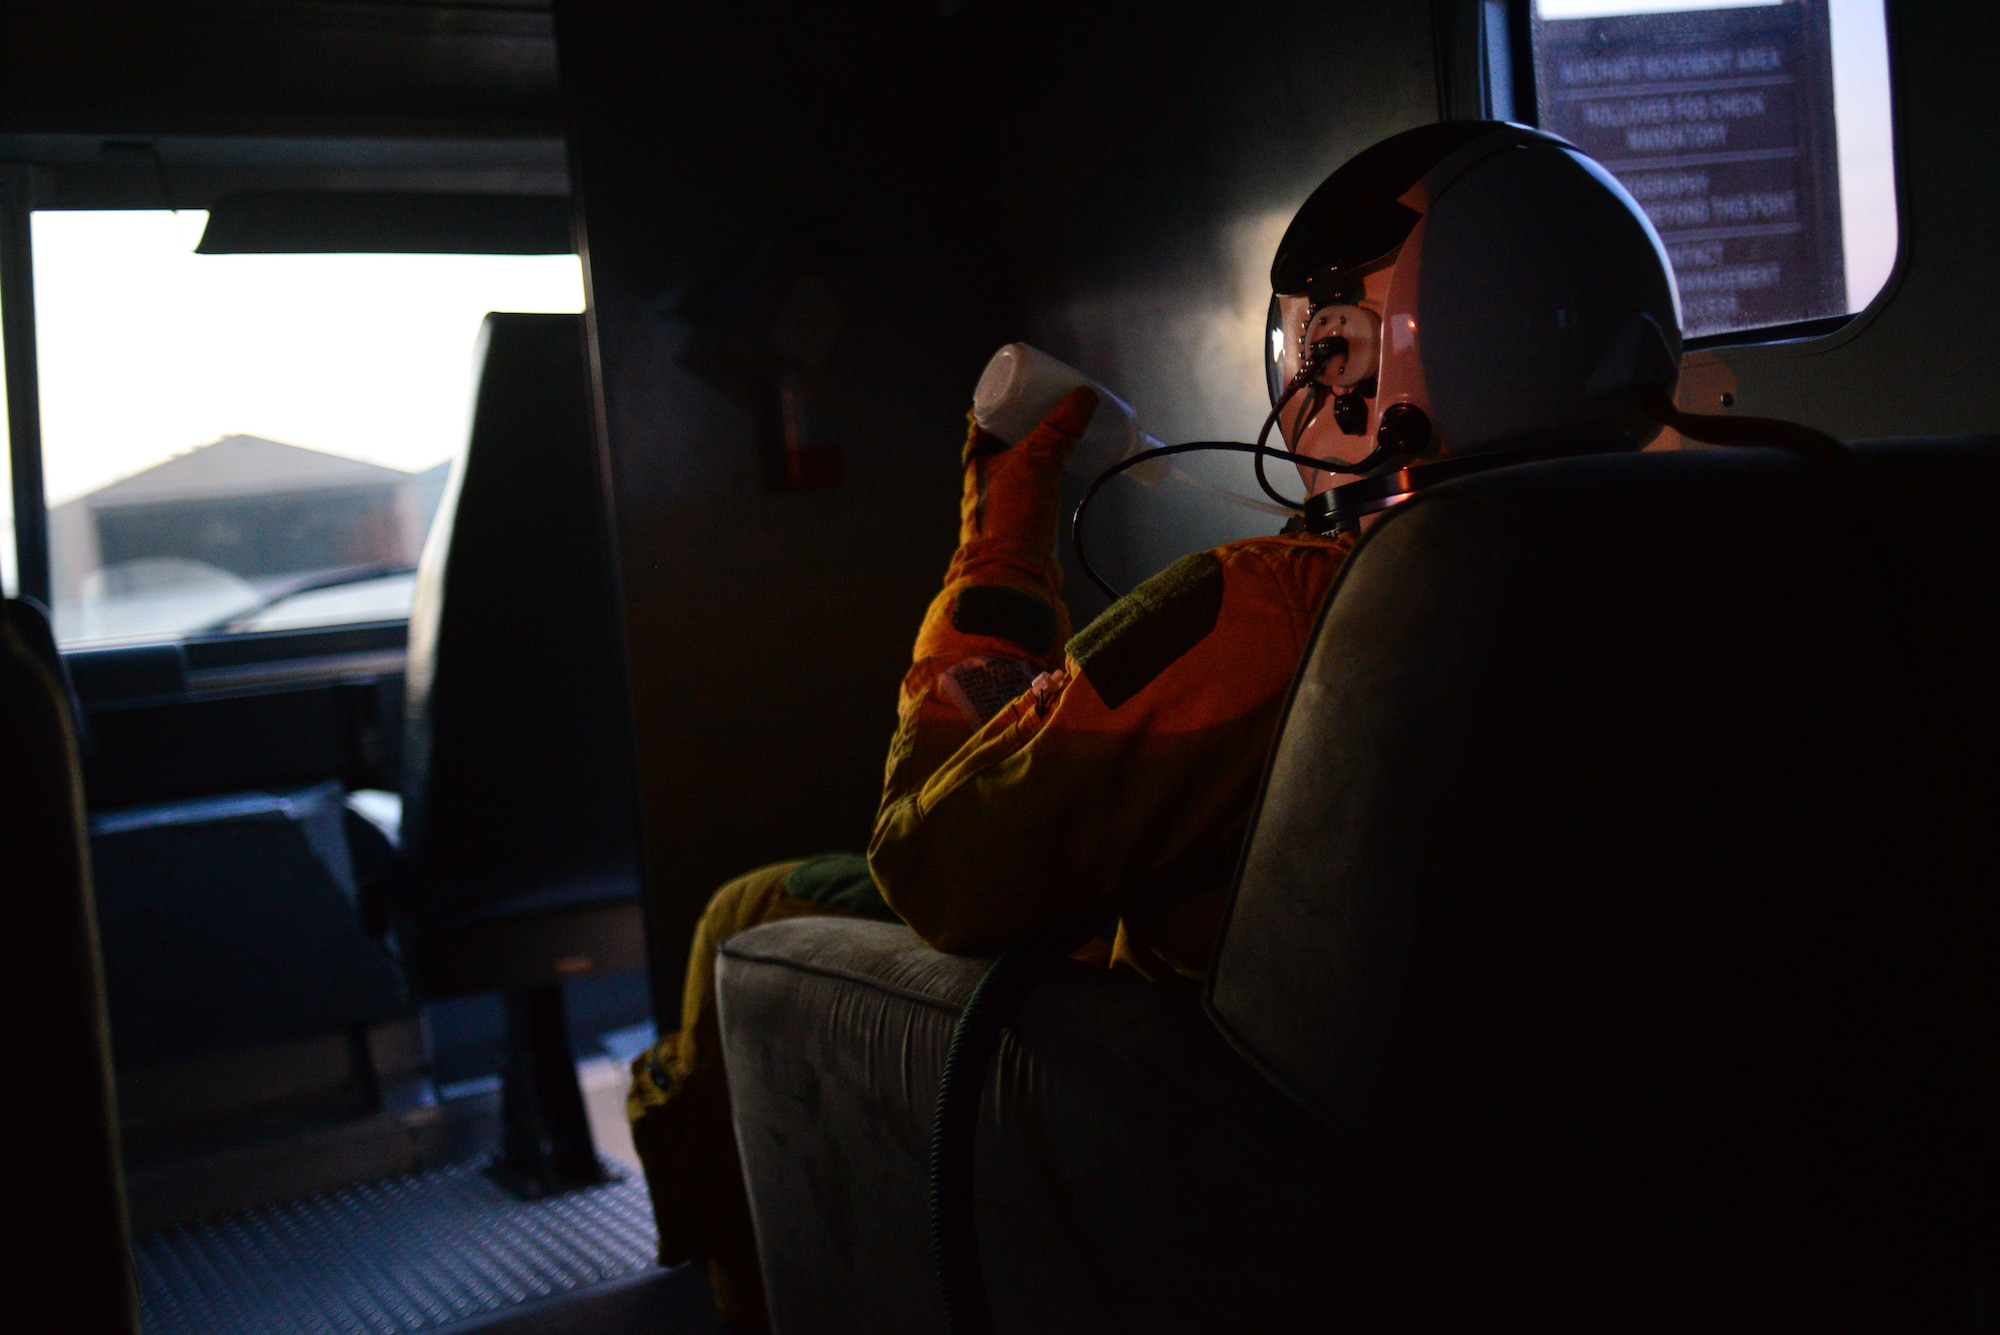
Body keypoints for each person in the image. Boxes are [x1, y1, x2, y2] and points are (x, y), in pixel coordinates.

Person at [627, 119, 1685, 1329]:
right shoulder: (1700, 560)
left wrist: (1001, 524)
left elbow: (928, 861)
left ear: (1355, 363)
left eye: (1313, 344)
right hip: (1534, 1165)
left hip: (1196, 1102)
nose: (1294, 382)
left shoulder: (1263, 610)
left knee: (740, 913)